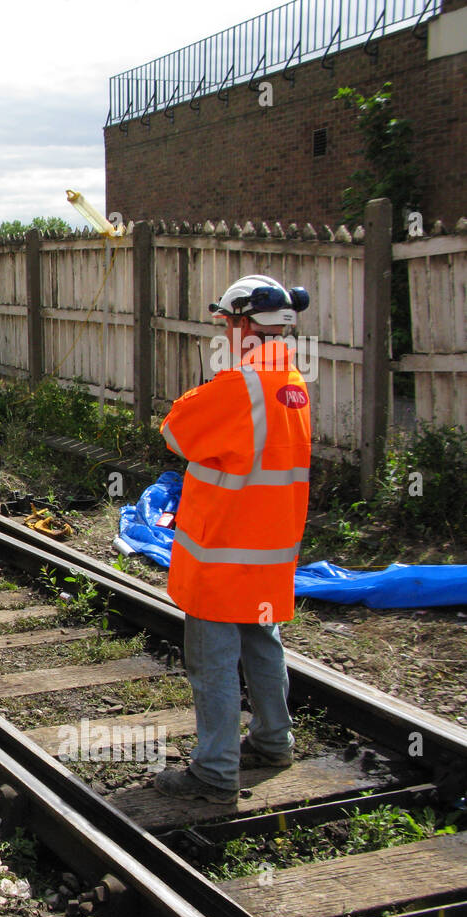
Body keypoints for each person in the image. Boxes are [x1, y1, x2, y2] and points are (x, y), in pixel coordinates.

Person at [153, 274, 312, 805]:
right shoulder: (292, 381)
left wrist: (215, 384)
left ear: (245, 323)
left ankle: (216, 771)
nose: (223, 330)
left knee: (212, 660)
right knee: (263, 644)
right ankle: (273, 742)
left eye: (225, 322)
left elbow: (176, 430)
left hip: (223, 552)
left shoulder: (241, 385)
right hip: (270, 551)